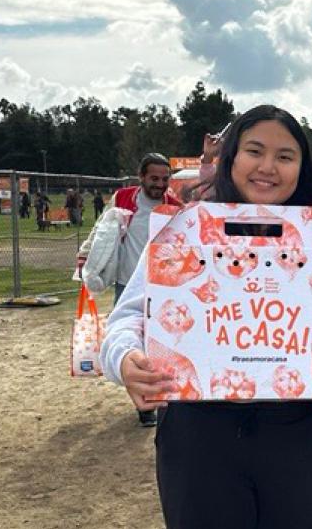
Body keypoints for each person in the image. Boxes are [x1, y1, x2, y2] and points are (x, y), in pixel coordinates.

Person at [100, 105, 312, 527]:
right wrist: (126, 360)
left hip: (291, 429)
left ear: (301, 166)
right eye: (254, 151)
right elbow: (130, 319)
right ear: (231, 157)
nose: (267, 167)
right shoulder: (184, 229)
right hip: (198, 433)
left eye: (285, 156)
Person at [78, 154, 181, 427]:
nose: (160, 184)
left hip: (161, 283)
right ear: (142, 177)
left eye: (164, 179)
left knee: (157, 339)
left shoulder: (175, 209)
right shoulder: (124, 199)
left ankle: (153, 393)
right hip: (128, 281)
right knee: (131, 340)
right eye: (154, 178)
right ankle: (143, 403)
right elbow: (102, 229)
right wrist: (86, 254)